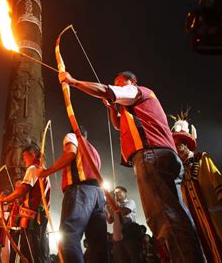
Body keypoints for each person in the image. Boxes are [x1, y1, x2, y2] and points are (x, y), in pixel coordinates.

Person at [58, 70, 205, 262]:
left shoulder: (137, 91)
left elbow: (105, 90)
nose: (118, 85)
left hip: (152, 154)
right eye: (116, 82)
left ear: (132, 82)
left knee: (167, 217)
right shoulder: (132, 108)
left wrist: (73, 81)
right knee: (168, 215)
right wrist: (112, 107)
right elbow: (119, 124)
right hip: (155, 156)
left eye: (121, 82)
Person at [171, 113, 222, 262]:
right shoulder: (178, 170)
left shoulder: (202, 158)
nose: (178, 147)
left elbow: (216, 179)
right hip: (196, 218)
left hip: (214, 212)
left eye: (180, 143)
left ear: (187, 144)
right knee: (207, 250)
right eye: (175, 145)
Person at [37, 129, 108, 263]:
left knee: (69, 237)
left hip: (80, 190)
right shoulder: (93, 149)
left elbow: (70, 154)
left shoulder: (72, 136)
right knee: (97, 242)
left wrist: (47, 172)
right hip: (98, 194)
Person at [0, 144, 51, 263]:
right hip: (39, 216)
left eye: (25, 156)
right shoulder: (42, 169)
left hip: (33, 217)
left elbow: (22, 190)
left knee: (30, 251)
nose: (23, 160)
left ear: (32, 155)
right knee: (36, 250)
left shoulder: (33, 168)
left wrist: (4, 199)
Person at [106, 186, 141, 263]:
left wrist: (113, 205)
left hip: (129, 234)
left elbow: (124, 211)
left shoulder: (130, 202)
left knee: (134, 258)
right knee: (122, 259)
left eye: (119, 192)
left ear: (125, 194)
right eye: (114, 193)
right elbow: (109, 220)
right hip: (117, 236)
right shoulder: (114, 206)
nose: (116, 195)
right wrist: (106, 208)